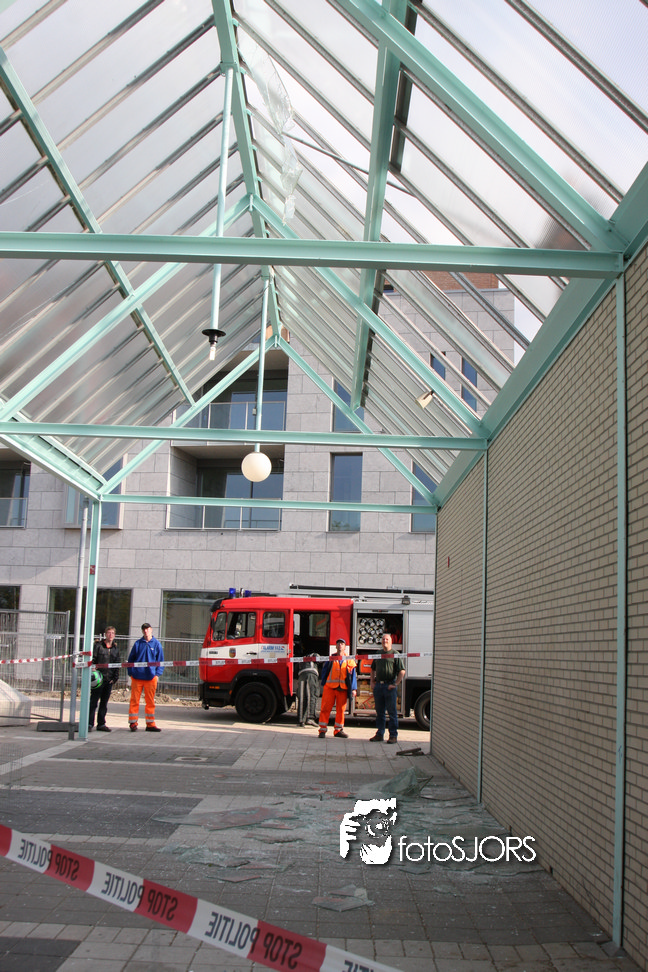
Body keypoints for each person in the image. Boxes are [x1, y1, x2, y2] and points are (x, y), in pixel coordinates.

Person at [127, 623, 164, 732]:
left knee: (150, 701)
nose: (146, 631)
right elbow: (131, 659)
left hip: (151, 677)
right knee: (134, 700)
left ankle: (150, 724)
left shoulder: (156, 644)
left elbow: (160, 660)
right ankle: (133, 723)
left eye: (147, 629)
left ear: (151, 630)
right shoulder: (138, 644)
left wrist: (157, 674)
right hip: (137, 676)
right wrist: (131, 672)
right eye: (144, 629)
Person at [370, 633, 405, 744]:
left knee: (392, 712)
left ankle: (393, 736)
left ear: (391, 641)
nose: (385, 641)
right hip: (379, 686)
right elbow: (372, 669)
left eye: (387, 639)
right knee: (379, 712)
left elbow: (402, 671)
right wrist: (372, 681)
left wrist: (396, 683)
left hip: (389, 687)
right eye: (383, 639)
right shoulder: (378, 654)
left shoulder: (395, 654)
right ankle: (380, 734)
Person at [318, 639, 357, 738]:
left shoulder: (349, 660)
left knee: (341, 710)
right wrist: (323, 684)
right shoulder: (331, 658)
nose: (340, 645)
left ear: (345, 647)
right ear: (336, 646)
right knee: (325, 708)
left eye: (342, 644)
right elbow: (324, 671)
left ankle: (338, 730)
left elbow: (353, 675)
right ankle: (322, 730)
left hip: (342, 689)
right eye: (338, 643)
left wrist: (353, 689)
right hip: (329, 688)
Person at [88, 625, 120, 733]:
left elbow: (117, 664)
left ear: (114, 635)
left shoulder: (115, 649)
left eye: (112, 633)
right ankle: (89, 723)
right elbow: (93, 660)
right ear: (105, 634)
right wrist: (93, 671)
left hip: (108, 679)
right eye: (109, 633)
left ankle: (101, 724)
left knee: (104, 703)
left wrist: (115, 678)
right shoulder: (98, 646)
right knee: (93, 702)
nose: (110, 635)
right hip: (98, 679)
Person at [296, 654, 320, 727]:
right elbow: (319, 660)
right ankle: (310, 718)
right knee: (312, 696)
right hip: (311, 675)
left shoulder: (301, 659)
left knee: (302, 698)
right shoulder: (314, 655)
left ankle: (301, 720)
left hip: (301, 675)